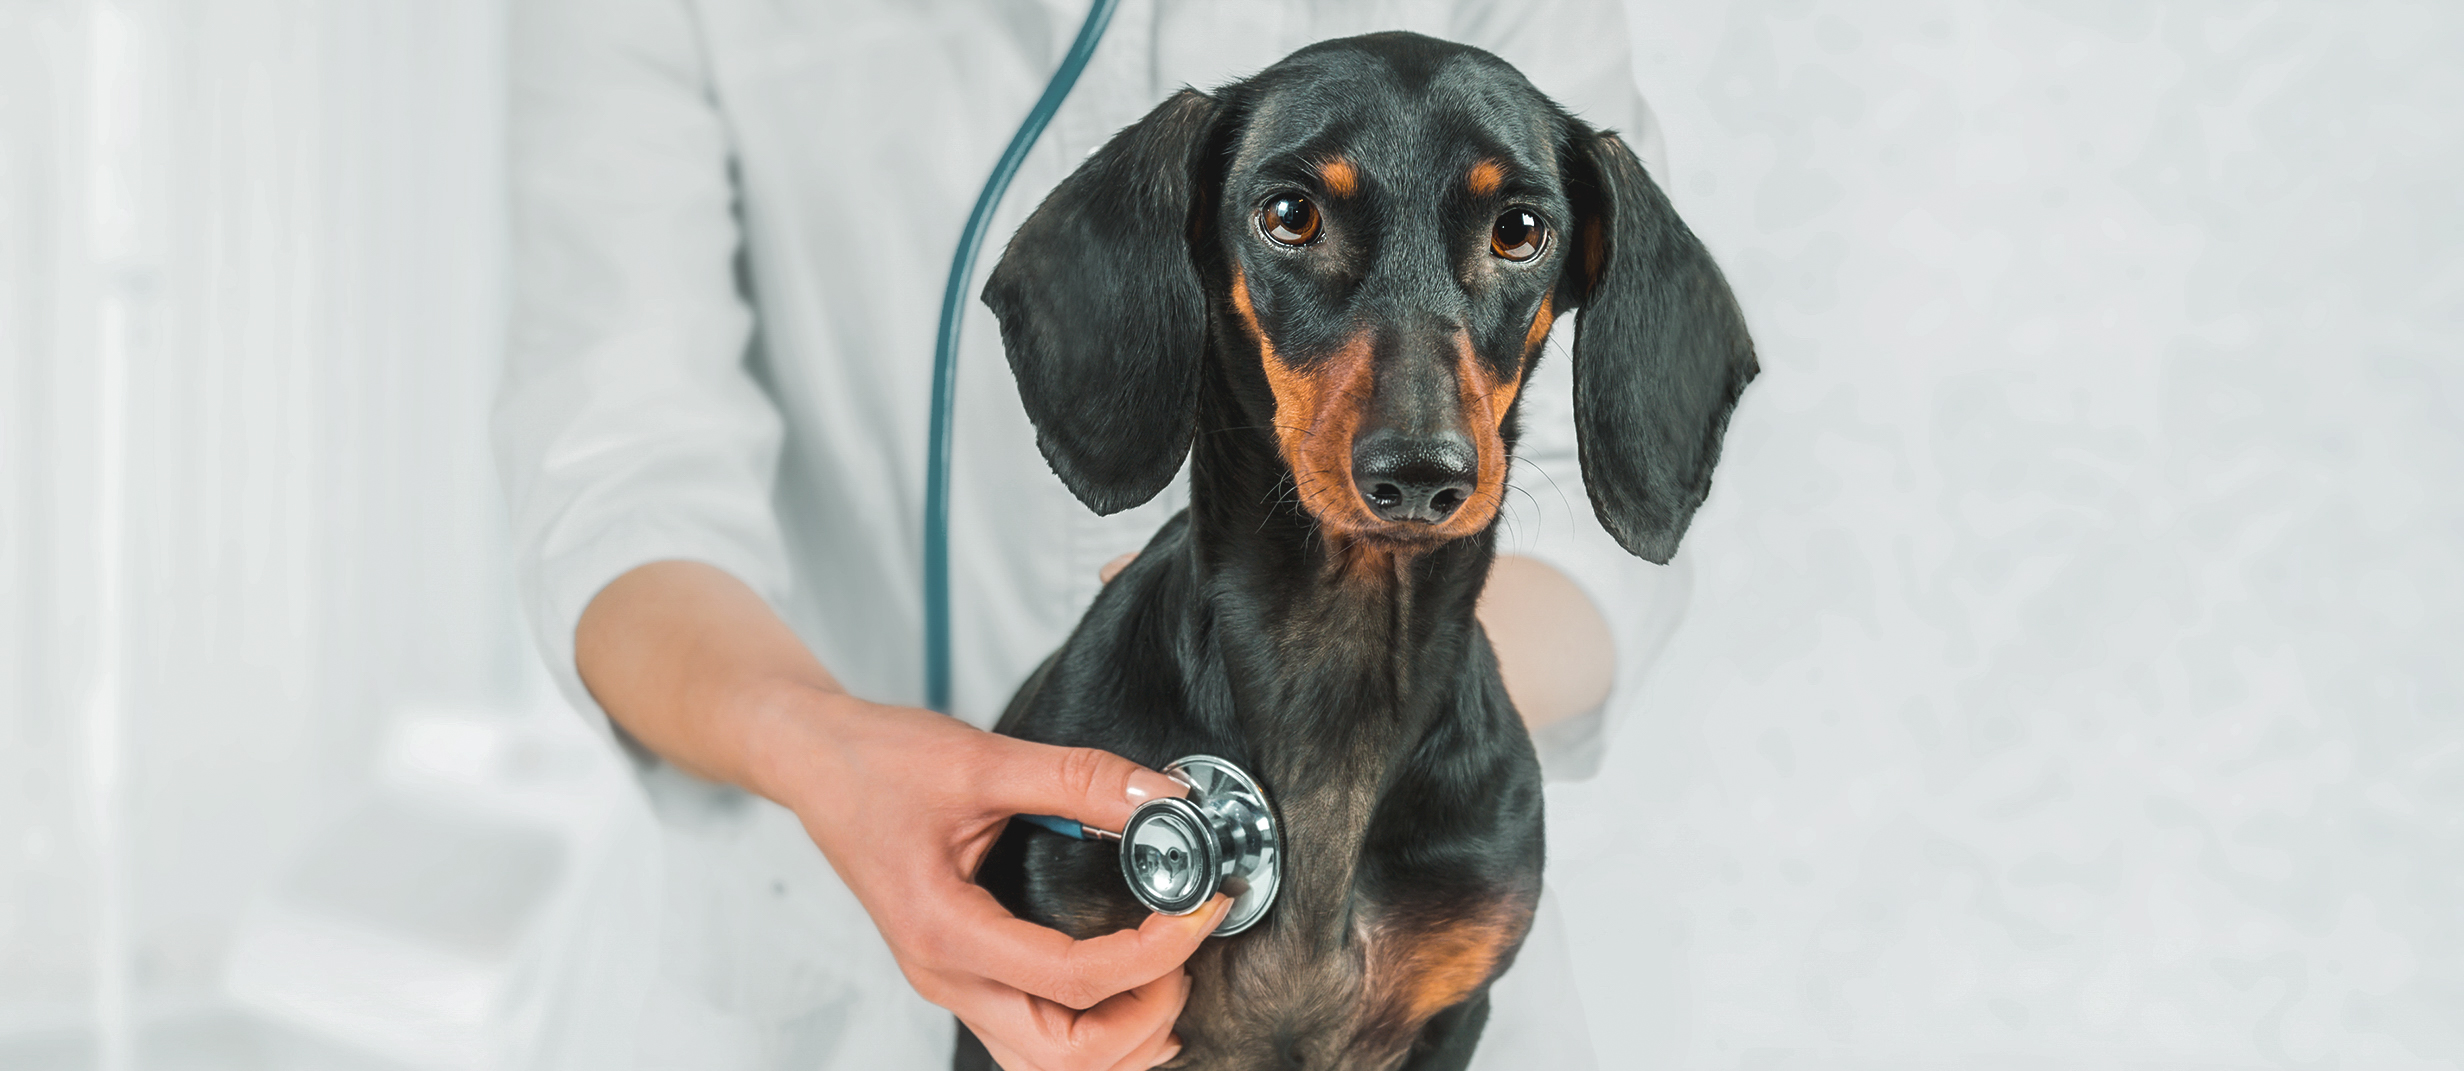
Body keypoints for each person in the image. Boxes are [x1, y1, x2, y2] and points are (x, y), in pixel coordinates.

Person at [496, 1, 1691, 1067]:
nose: (1417, 437)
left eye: (1518, 235)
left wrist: (1332, 695)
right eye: (1289, 214)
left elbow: (1595, 546)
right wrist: (823, 752)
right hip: (805, 923)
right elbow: (619, 478)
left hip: (1412, 975)